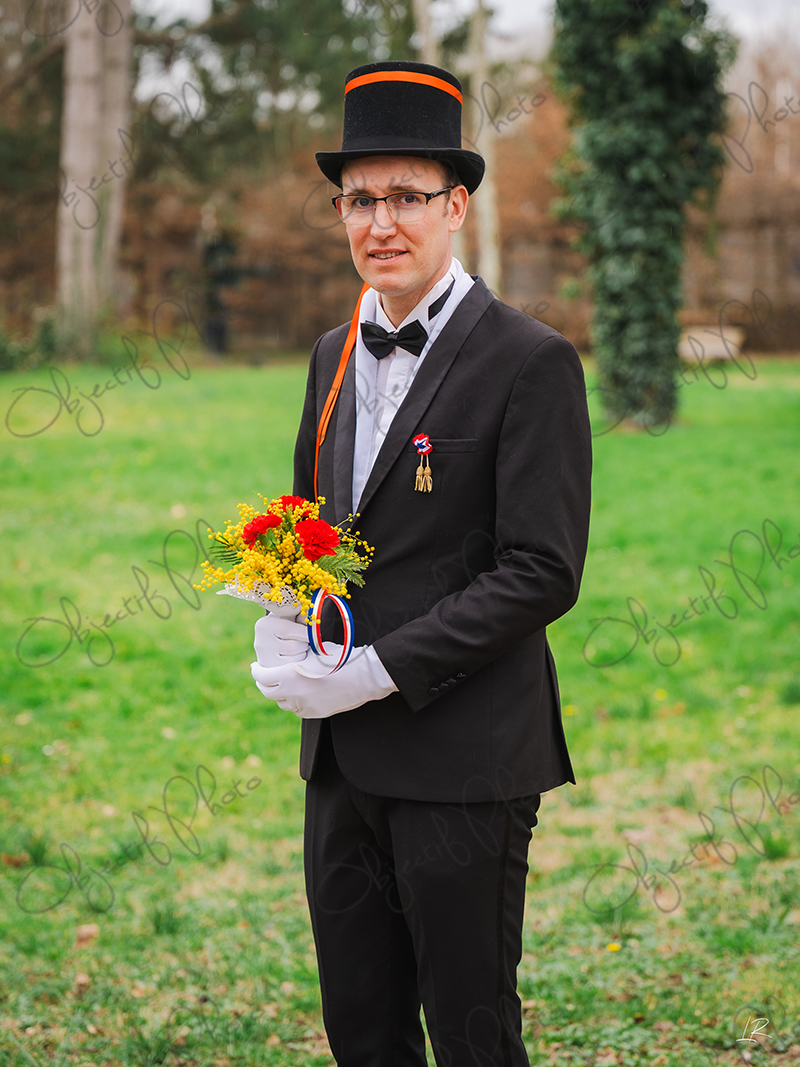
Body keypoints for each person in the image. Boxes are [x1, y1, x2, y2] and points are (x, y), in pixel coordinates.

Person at [249, 60, 592, 1067]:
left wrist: (379, 668)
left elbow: (541, 568)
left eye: (405, 196)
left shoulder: (530, 360)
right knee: (360, 1025)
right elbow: (312, 523)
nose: (380, 223)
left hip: (464, 756)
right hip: (339, 758)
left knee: (471, 1030)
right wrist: (283, 611)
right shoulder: (330, 353)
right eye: (359, 199)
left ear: (456, 205)